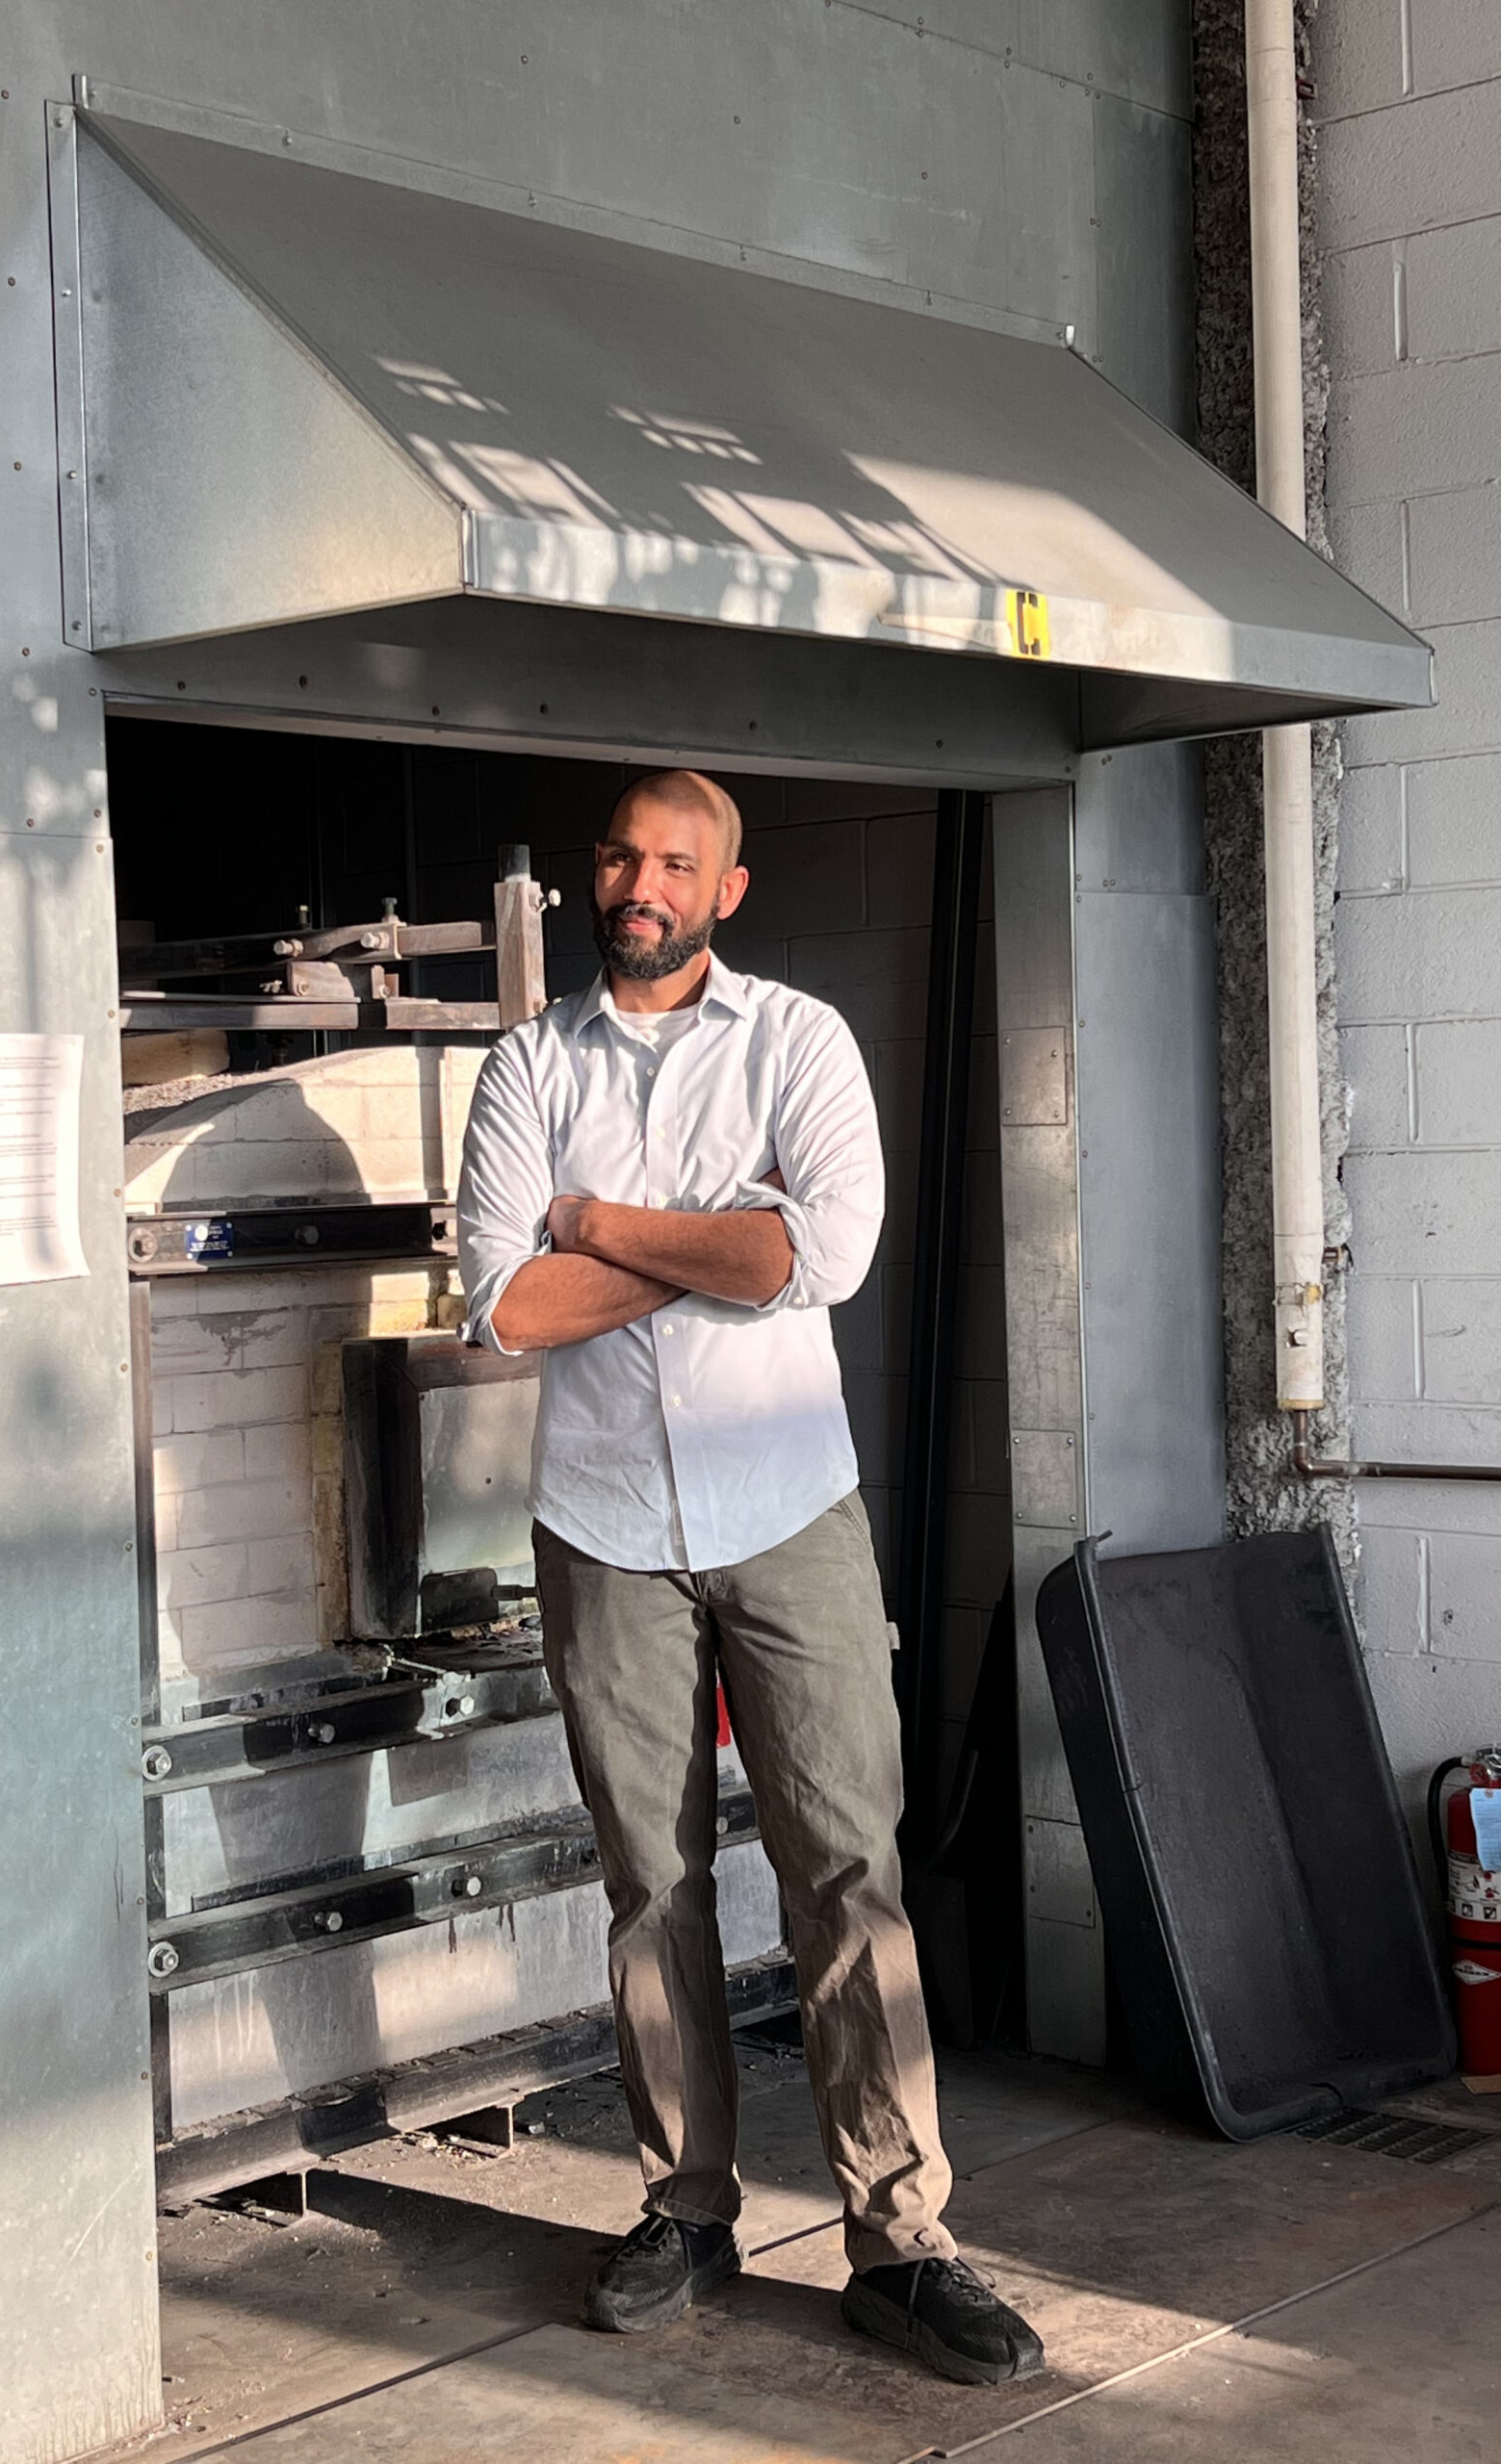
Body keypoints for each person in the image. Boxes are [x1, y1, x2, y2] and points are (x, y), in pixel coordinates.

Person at [455, 769, 1043, 2387]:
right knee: (652, 1885)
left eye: (673, 861)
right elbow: (503, 1310)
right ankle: (686, 2205)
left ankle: (901, 2236)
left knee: (848, 1871)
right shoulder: (525, 1062)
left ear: (729, 883)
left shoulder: (799, 1043)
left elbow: (820, 1260)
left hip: (789, 1517)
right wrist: (707, 1242)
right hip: (601, 1531)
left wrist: (596, 1225)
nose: (637, 882)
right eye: (618, 854)